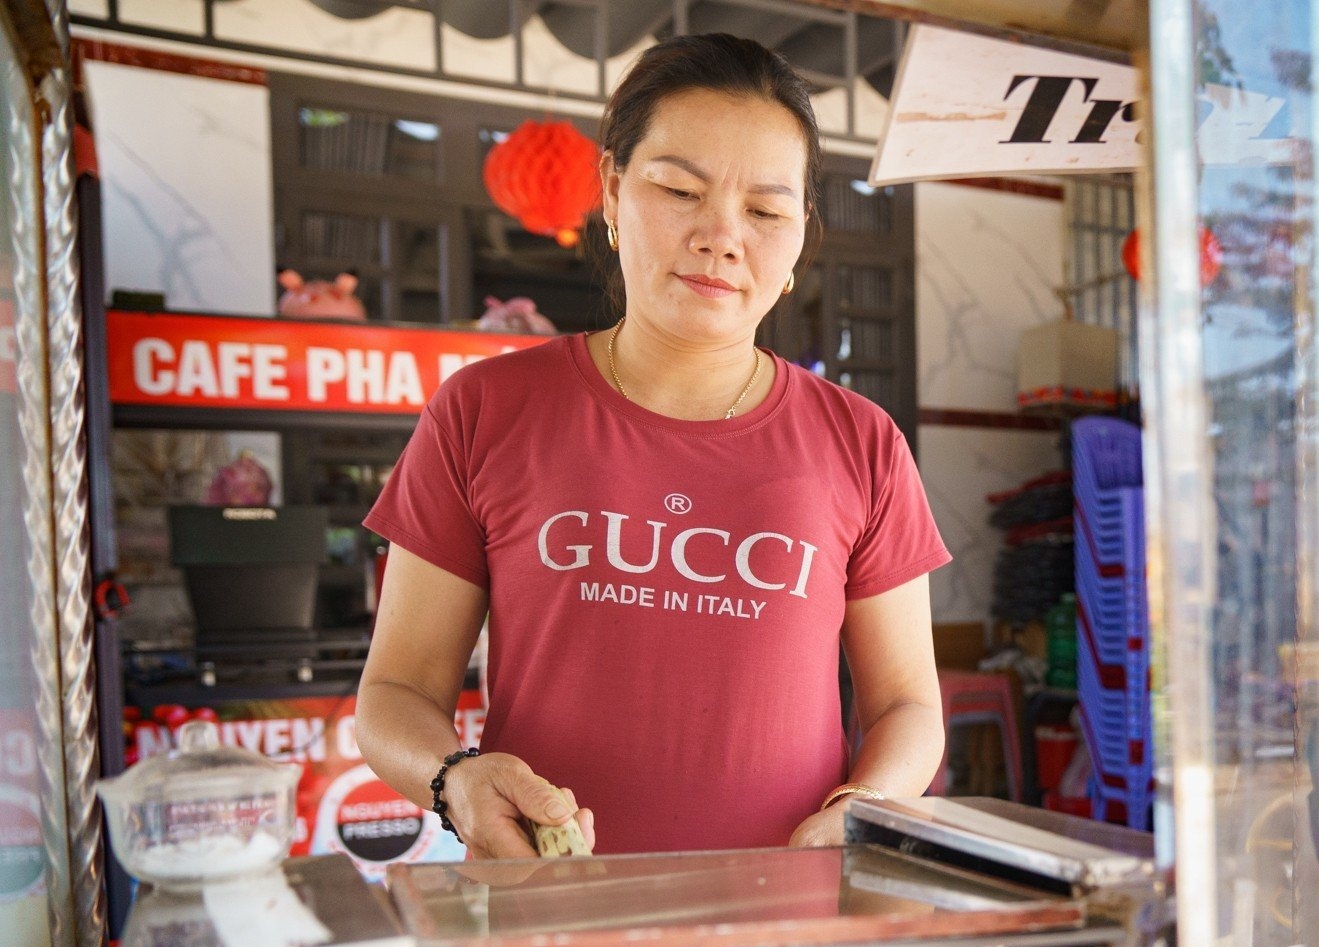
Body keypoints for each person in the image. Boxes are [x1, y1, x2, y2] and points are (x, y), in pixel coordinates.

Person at [356, 34, 949, 857]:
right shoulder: (484, 411)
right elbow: (393, 693)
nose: (722, 236)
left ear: (799, 239)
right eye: (679, 189)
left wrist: (867, 802)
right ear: (611, 190)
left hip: (786, 921)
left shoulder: (863, 443)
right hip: (550, 921)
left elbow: (907, 708)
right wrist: (454, 776)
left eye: (766, 211)